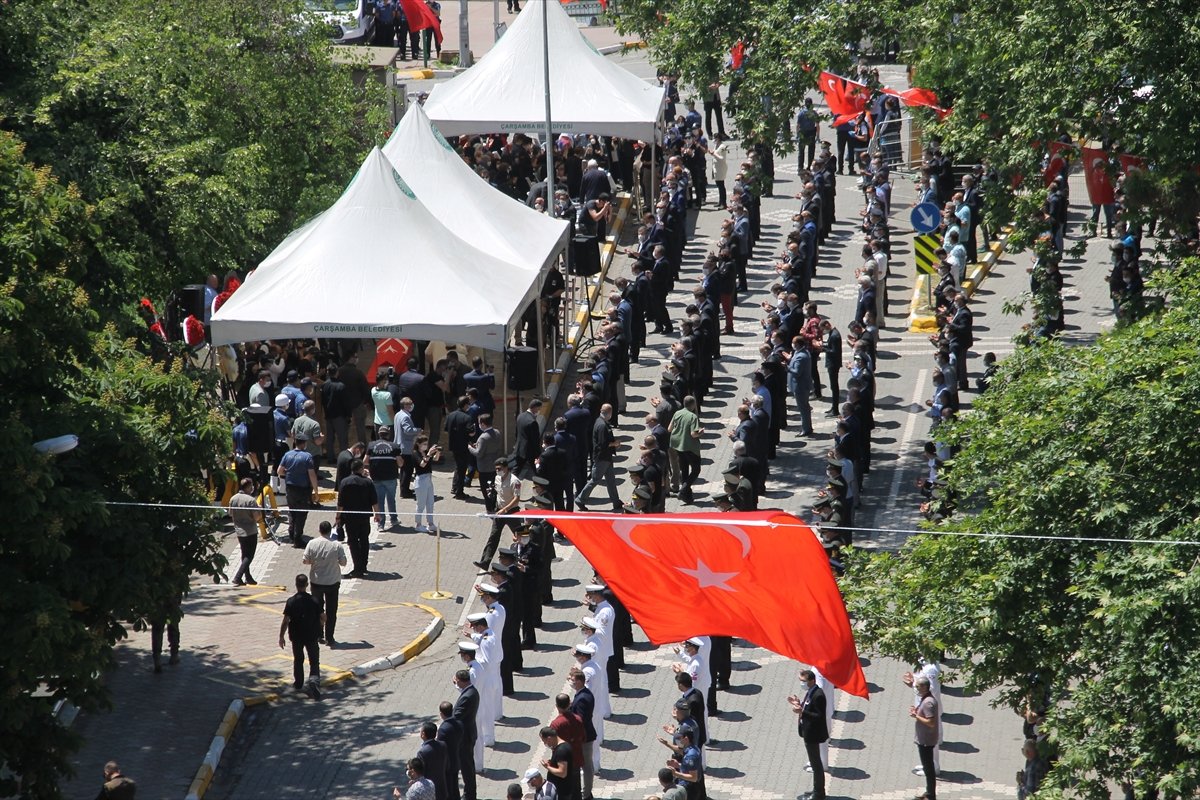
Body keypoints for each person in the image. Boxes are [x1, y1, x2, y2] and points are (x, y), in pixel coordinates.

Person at [279, 573, 324, 697]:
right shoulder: (314, 600)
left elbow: (286, 620)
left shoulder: (291, 601)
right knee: (314, 661)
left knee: (298, 660)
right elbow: (322, 617)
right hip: (312, 635)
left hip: (297, 636)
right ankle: (314, 681)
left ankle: (298, 683)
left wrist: (281, 636)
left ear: (296, 585)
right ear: (307, 585)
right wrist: (321, 625)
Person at [788, 669, 829, 800]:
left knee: (816, 764)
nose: (801, 684)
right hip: (808, 733)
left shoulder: (818, 695)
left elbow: (819, 716)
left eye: (803, 681)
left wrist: (802, 712)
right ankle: (816, 790)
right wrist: (798, 703)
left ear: (812, 681)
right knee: (815, 762)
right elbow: (808, 707)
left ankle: (819, 794)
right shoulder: (810, 692)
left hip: (813, 734)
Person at [303, 521, 346, 646]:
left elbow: (305, 560)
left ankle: (318, 635)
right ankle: (330, 637)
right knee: (331, 611)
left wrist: (315, 561)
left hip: (317, 582)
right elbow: (343, 562)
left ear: (319, 530)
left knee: (317, 610)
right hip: (332, 582)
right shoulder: (336, 545)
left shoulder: (312, 543)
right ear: (329, 531)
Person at [574, 403, 621, 512]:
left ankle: (616, 501)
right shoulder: (602, 425)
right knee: (595, 480)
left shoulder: (600, 421)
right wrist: (615, 444)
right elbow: (603, 444)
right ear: (609, 413)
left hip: (606, 457)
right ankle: (580, 499)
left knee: (611, 480)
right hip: (602, 458)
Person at [336, 457, 377, 577]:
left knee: (352, 542)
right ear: (361, 469)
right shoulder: (368, 482)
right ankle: (363, 565)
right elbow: (374, 500)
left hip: (350, 518)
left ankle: (357, 567)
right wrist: (377, 515)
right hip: (364, 517)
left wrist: (338, 516)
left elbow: (340, 503)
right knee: (364, 540)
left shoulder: (345, 482)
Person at [277, 435, 318, 548]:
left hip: (290, 488)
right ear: (304, 443)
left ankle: (291, 533)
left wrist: (290, 474)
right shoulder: (307, 457)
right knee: (301, 513)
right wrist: (316, 491)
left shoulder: (287, 455)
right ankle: (297, 538)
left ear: (295, 442)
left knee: (292, 511)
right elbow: (312, 475)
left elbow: (279, 471)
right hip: (302, 490)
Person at [451, 668, 480, 800]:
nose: (456, 683)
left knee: (466, 767)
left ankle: (470, 795)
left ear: (462, 681)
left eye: (457, 681)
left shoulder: (468, 696)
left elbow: (456, 716)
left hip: (465, 737)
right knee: (467, 765)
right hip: (469, 734)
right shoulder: (471, 690)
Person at [228, 477, 263, 586]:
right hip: (250, 531)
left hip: (239, 530)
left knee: (244, 554)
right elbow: (257, 517)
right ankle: (237, 577)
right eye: (251, 486)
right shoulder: (251, 500)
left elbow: (230, 513)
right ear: (248, 487)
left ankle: (248, 577)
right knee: (249, 556)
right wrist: (260, 510)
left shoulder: (233, 498)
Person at [911, 676, 940, 800]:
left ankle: (931, 795)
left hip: (926, 740)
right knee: (928, 767)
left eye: (918, 686)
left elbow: (931, 722)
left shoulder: (928, 702)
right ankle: (929, 792)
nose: (916, 688)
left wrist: (916, 715)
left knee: (928, 769)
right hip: (924, 739)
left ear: (924, 687)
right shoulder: (926, 698)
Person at [540, 727, 580, 800]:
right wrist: (552, 763)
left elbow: (562, 773)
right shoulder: (564, 745)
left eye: (544, 741)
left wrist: (547, 767)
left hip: (562, 790)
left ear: (549, 738)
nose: (545, 744)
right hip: (564, 788)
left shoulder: (561, 751)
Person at [413, 434, 442, 532]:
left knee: (430, 502)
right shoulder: (415, 453)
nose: (426, 446)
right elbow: (422, 464)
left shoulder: (426, 452)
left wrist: (437, 452)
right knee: (421, 504)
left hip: (429, 479)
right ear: (418, 444)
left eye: (426, 444)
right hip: (421, 480)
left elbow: (435, 459)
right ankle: (418, 524)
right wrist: (429, 454)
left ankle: (430, 523)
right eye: (424, 444)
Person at [417, 720, 449, 800]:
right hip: (442, 787)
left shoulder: (422, 752)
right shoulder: (443, 745)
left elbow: (420, 772)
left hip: (429, 789)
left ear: (423, 734)